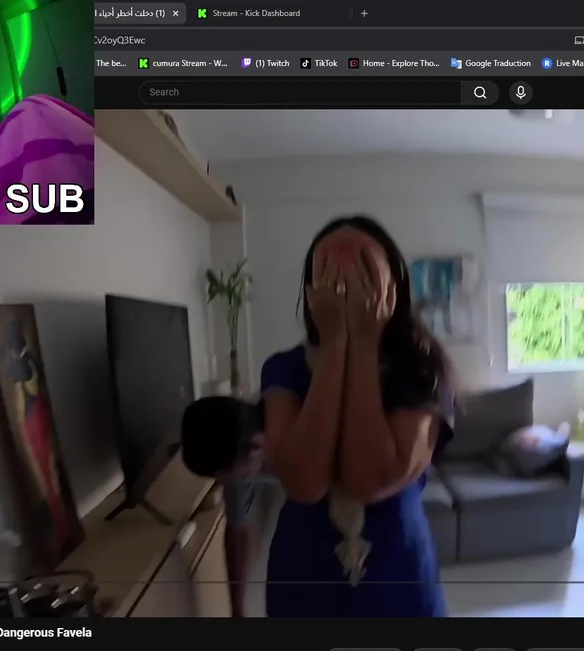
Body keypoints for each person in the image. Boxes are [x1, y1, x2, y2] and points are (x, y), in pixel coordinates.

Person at [259, 215, 456, 617]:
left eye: (363, 272)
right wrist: (335, 344)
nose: (346, 285)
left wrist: (365, 343)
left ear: (393, 290)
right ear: (310, 295)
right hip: (303, 582)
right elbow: (304, 482)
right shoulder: (284, 369)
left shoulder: (422, 370)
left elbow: (368, 479)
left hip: (397, 581)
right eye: (330, 274)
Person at [180, 396, 268, 617]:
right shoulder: (241, 442)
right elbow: (237, 531)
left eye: (228, 476)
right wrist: (237, 610)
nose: (230, 482)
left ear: (256, 447)